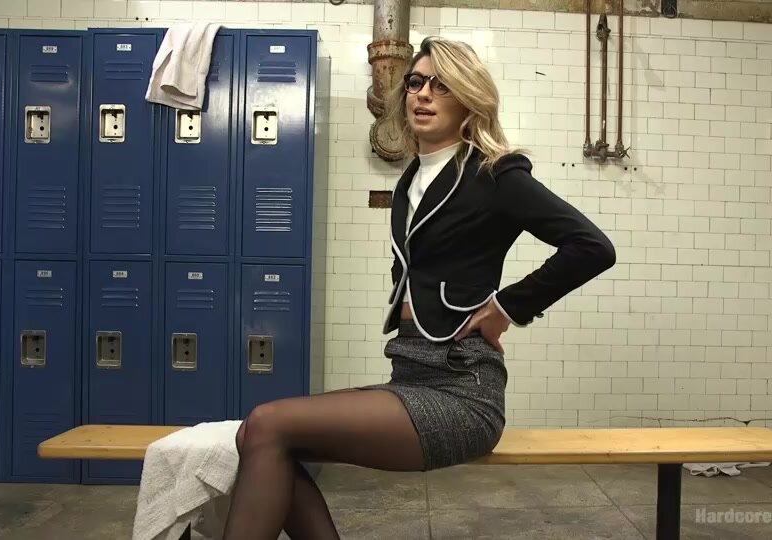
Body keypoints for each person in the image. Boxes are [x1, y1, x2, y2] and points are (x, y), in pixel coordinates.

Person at [222, 36, 616, 539]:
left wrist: (505, 308)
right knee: (264, 438)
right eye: (415, 83)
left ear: (469, 99)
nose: (423, 94)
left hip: (461, 388)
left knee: (266, 424)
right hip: (408, 373)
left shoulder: (495, 173)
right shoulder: (411, 179)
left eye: (442, 86)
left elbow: (592, 247)